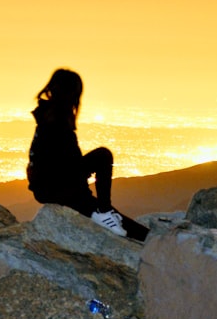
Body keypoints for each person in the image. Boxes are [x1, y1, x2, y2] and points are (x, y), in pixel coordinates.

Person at [26, 68, 149, 242]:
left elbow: (56, 163)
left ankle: (104, 211)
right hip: (60, 190)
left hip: (49, 187)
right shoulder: (58, 122)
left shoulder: (47, 117)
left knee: (135, 229)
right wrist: (86, 197)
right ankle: (104, 213)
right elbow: (69, 164)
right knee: (103, 156)